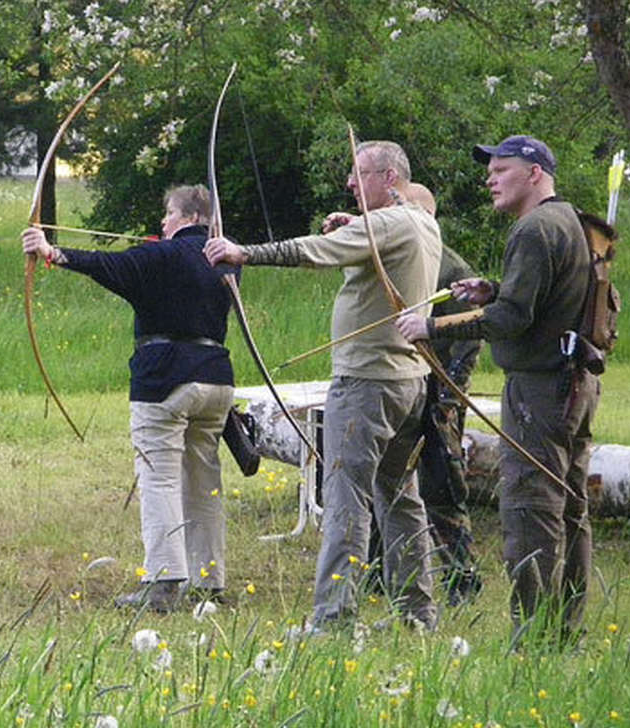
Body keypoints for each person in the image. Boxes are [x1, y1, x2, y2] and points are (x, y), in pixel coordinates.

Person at [206, 140, 442, 632]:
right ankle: (418, 615)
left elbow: (313, 251)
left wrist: (242, 251)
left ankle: (332, 620)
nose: (350, 184)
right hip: (408, 382)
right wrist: (354, 226)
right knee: (399, 496)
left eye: (360, 174)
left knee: (345, 496)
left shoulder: (387, 224)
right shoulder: (420, 220)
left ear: (389, 179)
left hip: (368, 382)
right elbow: (373, 248)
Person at [398, 135, 597, 644]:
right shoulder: (569, 220)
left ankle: (531, 638)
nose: (490, 177)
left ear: (534, 173)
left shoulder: (533, 229)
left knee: (531, 507)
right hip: (574, 381)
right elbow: (539, 301)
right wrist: (494, 291)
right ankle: (563, 631)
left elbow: (511, 321)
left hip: (540, 388)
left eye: (502, 168)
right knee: (571, 505)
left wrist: (434, 327)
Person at [23, 185, 236, 613]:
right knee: (203, 481)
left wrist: (49, 250)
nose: (164, 222)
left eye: (170, 214)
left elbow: (107, 265)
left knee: (159, 478)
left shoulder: (164, 256)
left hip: (167, 377)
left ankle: (163, 581)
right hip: (216, 379)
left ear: (192, 218)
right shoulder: (225, 259)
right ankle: (207, 580)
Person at [364, 183, 484, 605]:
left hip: (440, 390)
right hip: (402, 380)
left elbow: (471, 337)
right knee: (387, 478)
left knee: (441, 483)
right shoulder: (400, 256)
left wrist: (451, 394)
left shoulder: (448, 267)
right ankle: (377, 569)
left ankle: (461, 576)